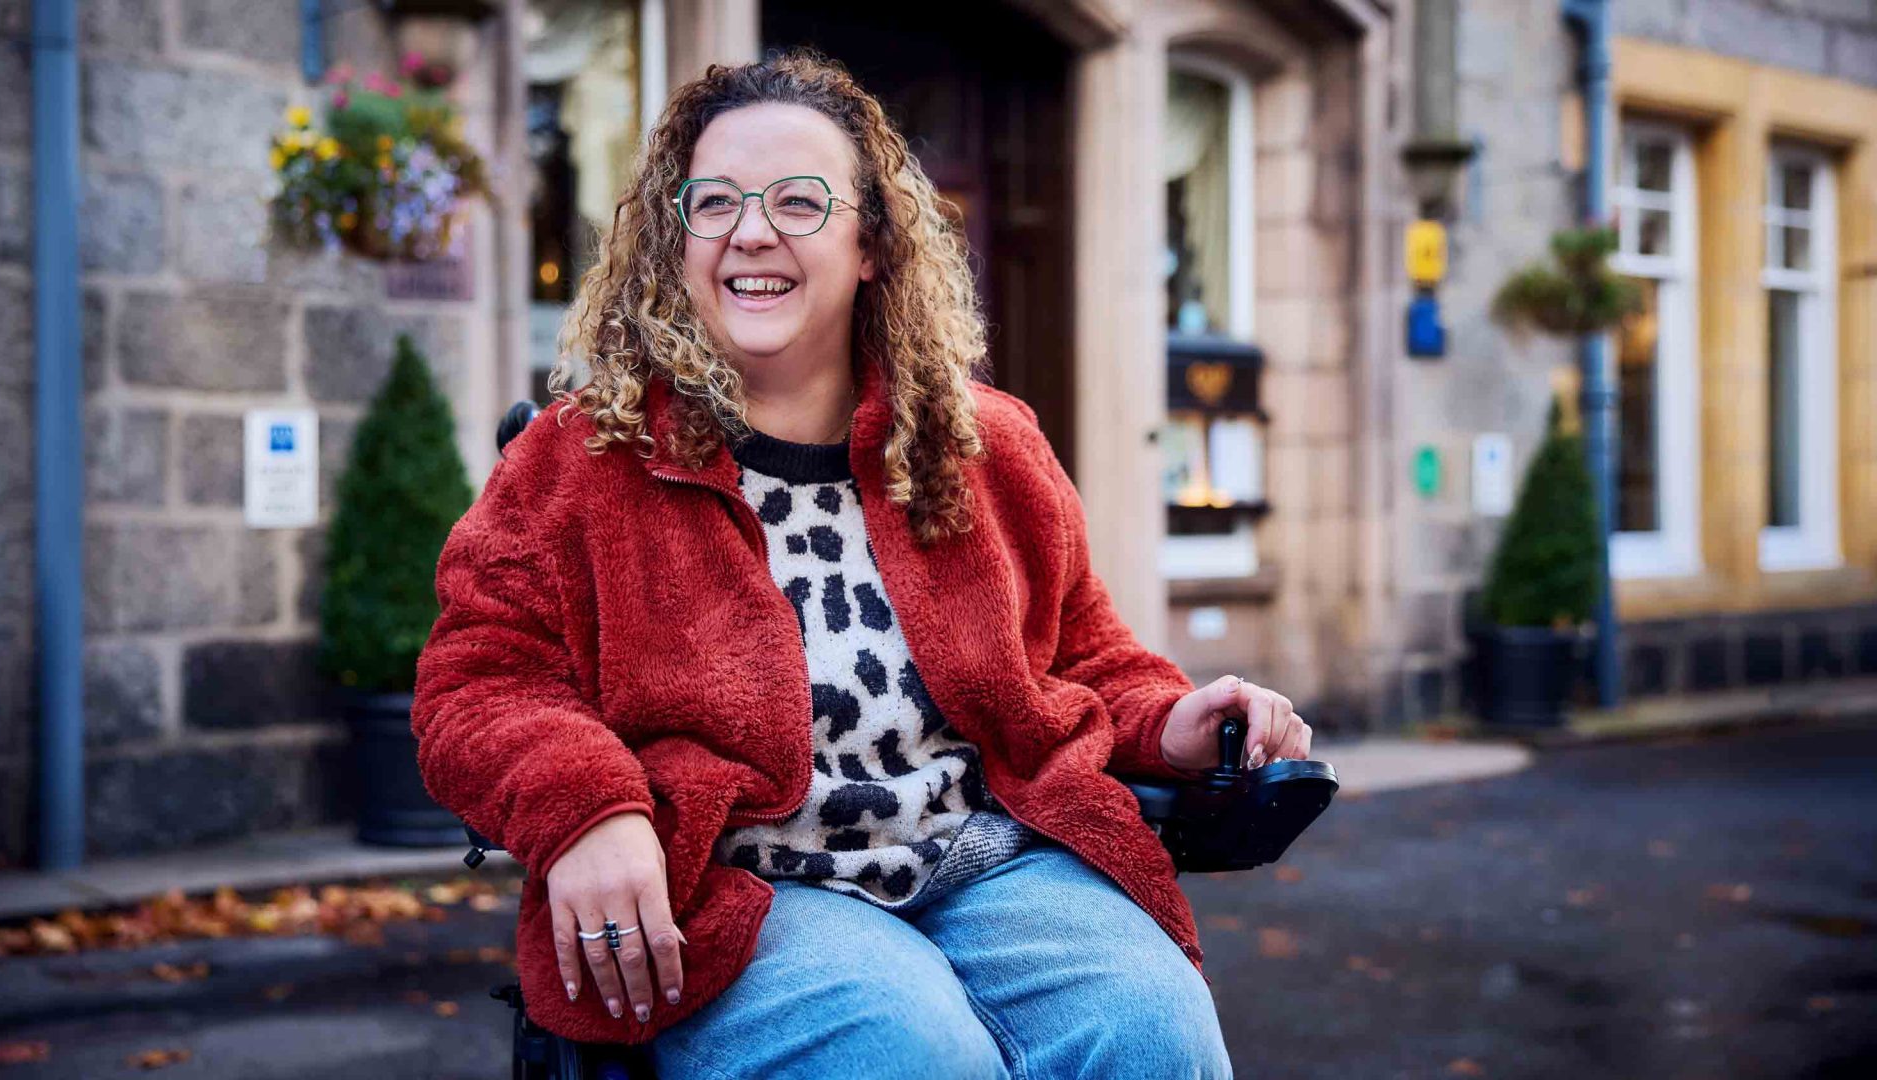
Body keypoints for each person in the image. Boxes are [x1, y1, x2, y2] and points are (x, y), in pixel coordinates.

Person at [412, 50, 1311, 1079]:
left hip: (986, 858)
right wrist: (586, 808)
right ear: (676, 237)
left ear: (873, 242)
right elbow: (477, 683)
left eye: (799, 200)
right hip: (738, 884)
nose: (752, 231)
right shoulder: (580, 459)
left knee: (1155, 1029)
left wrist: (1170, 723)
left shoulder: (985, 446)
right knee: (912, 1051)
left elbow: (1083, 653)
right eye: (716, 203)